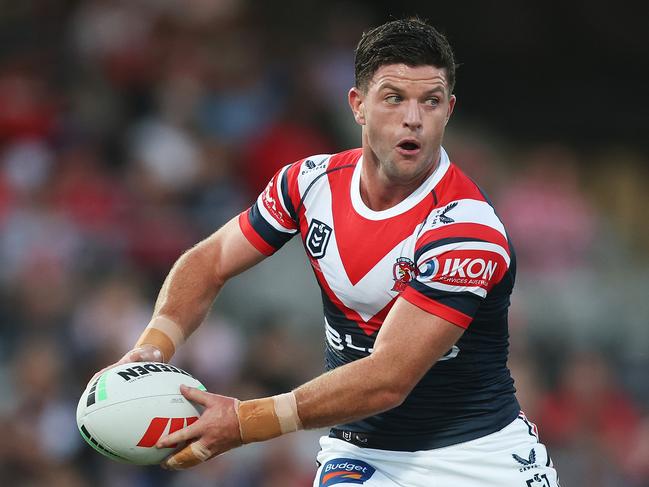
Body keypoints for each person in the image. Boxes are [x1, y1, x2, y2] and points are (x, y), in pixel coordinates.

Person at [99, 18, 560, 486]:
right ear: (358, 106)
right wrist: (152, 348)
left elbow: (388, 378)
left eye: (431, 101)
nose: (414, 118)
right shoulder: (307, 183)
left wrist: (244, 421)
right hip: (362, 454)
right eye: (394, 97)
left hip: (476, 459)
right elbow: (209, 261)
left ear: (450, 110)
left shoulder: (465, 229)